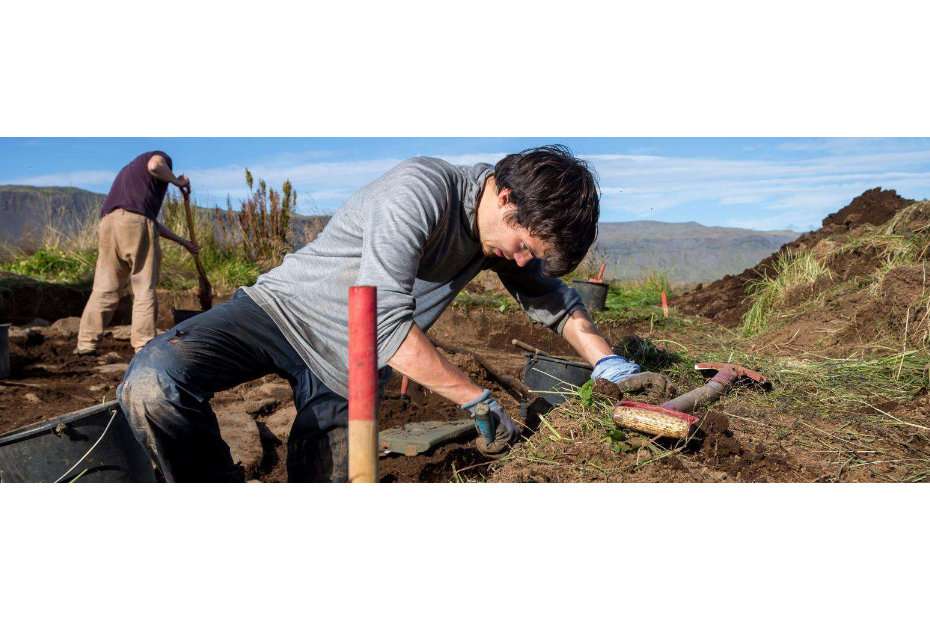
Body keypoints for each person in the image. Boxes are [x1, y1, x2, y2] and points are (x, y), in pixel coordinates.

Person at [118, 145, 659, 482]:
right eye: (523, 246)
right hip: (277, 311)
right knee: (153, 384)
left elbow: (556, 303)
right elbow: (386, 323)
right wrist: (476, 397)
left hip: (346, 365)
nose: (522, 262)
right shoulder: (420, 191)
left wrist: (608, 364)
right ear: (504, 195)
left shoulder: (498, 236)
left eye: (530, 258)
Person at [75, 151, 199, 355]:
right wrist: (177, 181)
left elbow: (147, 221)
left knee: (104, 288)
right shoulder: (158, 158)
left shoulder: (129, 174)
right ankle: (143, 344)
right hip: (135, 223)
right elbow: (155, 165)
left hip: (109, 224)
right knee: (144, 285)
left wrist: (183, 242)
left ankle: (86, 343)